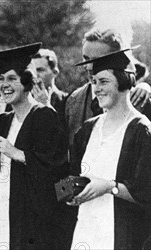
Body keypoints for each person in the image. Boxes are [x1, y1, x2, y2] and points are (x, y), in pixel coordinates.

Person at [0, 43, 76, 249]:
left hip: (33, 218)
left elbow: (57, 168)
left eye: (12, 79)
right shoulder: (3, 121)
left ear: (26, 81)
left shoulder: (44, 116)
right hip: (2, 209)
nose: (4, 84)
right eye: (2, 79)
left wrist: (18, 154)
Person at [69, 49, 151, 249]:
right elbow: (72, 179)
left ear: (123, 81)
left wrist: (108, 187)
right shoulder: (87, 129)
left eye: (103, 81)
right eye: (94, 81)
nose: (96, 88)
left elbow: (145, 193)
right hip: (85, 232)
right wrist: (70, 192)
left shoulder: (141, 130)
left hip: (122, 235)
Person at [65, 27, 151, 146]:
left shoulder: (139, 99)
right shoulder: (74, 101)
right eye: (85, 58)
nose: (89, 67)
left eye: (96, 60)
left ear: (115, 59)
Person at [31, 49, 68, 122]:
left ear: (55, 72)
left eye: (40, 70)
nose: (34, 75)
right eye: (32, 70)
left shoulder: (67, 101)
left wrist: (46, 105)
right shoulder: (23, 100)